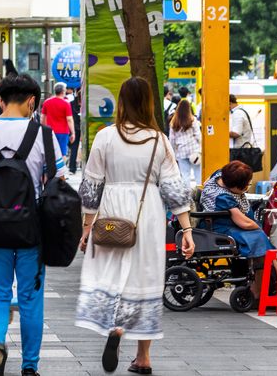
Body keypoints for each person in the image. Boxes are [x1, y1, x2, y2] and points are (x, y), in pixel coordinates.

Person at [76, 77, 196, 375]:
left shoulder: (105, 137)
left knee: (111, 275)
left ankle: (115, 326)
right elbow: (174, 188)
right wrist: (187, 230)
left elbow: (91, 186)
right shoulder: (158, 140)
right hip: (148, 214)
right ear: (149, 103)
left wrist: (87, 226)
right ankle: (143, 358)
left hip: (111, 212)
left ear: (121, 102)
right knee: (145, 278)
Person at [0, 73, 65, 376]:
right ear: (32, 101)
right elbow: (57, 186)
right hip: (32, 230)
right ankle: (30, 366)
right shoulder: (43, 135)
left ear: (2, 100)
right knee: (30, 298)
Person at [200, 161, 272, 295]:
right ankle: (261, 291)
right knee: (259, 238)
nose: (247, 188)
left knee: (261, 238)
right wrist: (259, 228)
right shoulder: (222, 197)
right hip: (220, 227)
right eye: (245, 186)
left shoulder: (220, 175)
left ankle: (273, 281)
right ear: (233, 187)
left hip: (230, 223)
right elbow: (244, 223)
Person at [168, 98, 201, 184]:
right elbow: (198, 135)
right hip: (194, 150)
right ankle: (199, 191)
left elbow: (172, 140)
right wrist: (201, 148)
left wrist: (174, 152)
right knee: (198, 174)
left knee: (185, 175)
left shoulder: (173, 122)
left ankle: (187, 192)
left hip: (181, 151)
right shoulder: (192, 120)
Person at [41, 82, 73, 156]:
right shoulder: (66, 103)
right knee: (62, 153)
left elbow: (43, 117)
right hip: (63, 132)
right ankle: (61, 164)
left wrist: (44, 129)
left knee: (50, 152)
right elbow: (69, 119)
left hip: (50, 131)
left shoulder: (47, 102)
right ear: (63, 91)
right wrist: (73, 132)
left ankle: (51, 164)